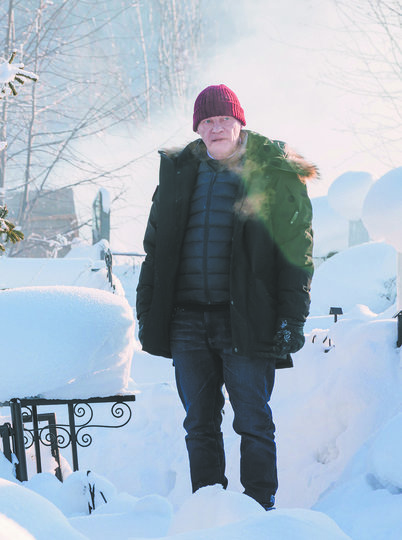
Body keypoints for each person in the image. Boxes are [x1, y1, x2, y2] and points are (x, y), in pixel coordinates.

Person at [135, 84, 316, 510]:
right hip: (186, 320)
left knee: (253, 421)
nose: (216, 128)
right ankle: (208, 510)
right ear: (198, 128)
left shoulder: (274, 174)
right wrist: (147, 311)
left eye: (224, 120)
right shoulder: (178, 174)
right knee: (198, 423)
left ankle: (259, 507)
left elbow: (297, 254)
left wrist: (293, 318)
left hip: (247, 318)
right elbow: (155, 249)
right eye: (208, 121)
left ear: (240, 124)